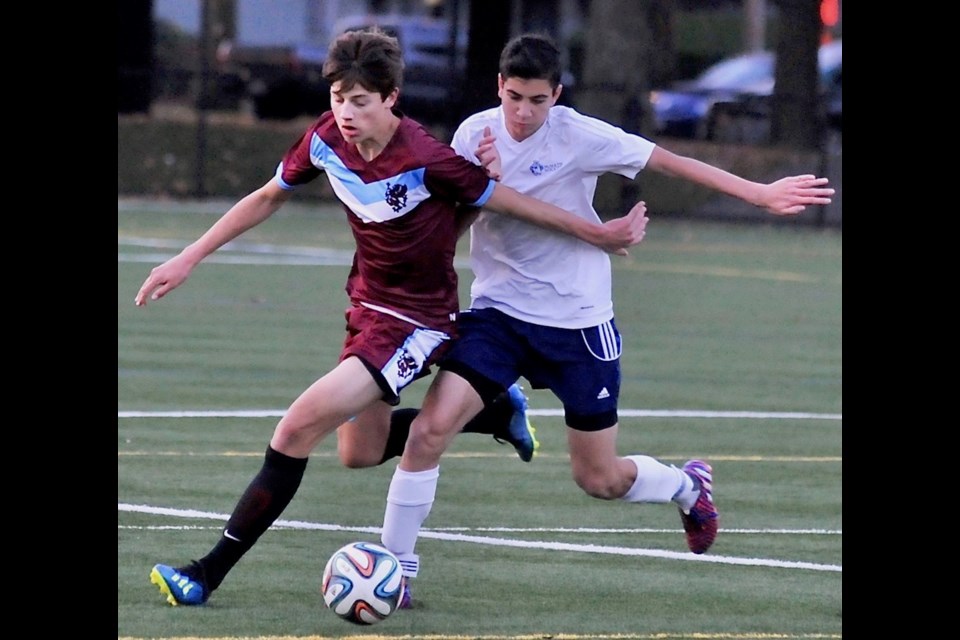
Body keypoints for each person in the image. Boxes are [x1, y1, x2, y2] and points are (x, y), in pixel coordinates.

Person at [139, 27, 648, 607]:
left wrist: (598, 234)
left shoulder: (427, 157)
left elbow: (512, 205)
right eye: (338, 98)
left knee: (295, 429)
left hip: (417, 322)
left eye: (360, 101)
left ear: (391, 97)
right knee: (357, 452)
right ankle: (495, 413)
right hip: (365, 308)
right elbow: (265, 197)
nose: (346, 112)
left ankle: (205, 573)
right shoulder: (326, 141)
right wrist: (188, 257)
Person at [377, 33, 835, 607]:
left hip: (577, 323)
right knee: (428, 432)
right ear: (499, 87)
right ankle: (397, 574)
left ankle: (687, 486)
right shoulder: (475, 134)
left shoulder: (579, 135)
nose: (522, 112)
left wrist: (760, 194)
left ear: (556, 96)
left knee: (598, 479)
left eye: (537, 100)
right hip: (498, 316)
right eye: (514, 96)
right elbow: (457, 221)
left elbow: (669, 159)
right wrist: (477, 191)